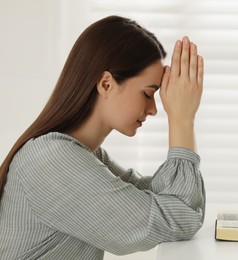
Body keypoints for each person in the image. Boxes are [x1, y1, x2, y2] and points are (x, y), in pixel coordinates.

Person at [0, 15, 205, 259]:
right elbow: (175, 219)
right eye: (148, 93)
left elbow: (173, 202)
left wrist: (183, 117)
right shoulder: (51, 160)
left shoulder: (83, 154)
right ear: (106, 84)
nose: (153, 109)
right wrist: (182, 118)